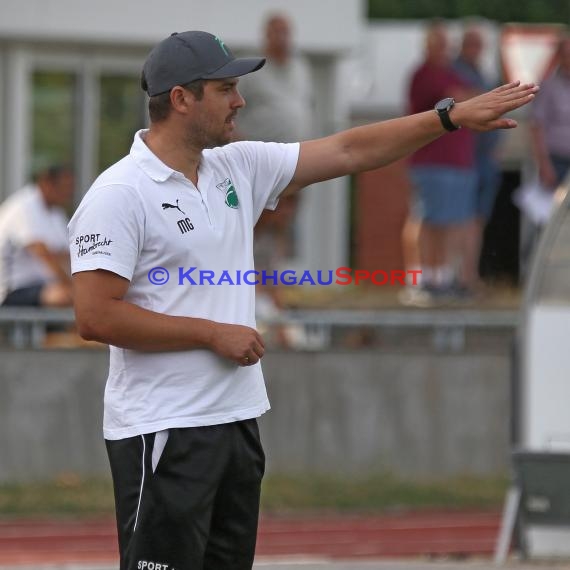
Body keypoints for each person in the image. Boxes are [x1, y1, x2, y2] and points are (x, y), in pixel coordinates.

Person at [68, 30, 537, 570]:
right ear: (181, 98)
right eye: (226, 88)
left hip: (237, 422)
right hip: (165, 428)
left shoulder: (234, 167)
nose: (240, 101)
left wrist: (447, 118)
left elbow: (349, 149)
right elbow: (94, 314)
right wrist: (210, 332)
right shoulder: (119, 193)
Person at [402, 23, 478, 307]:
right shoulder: (423, 75)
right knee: (425, 219)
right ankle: (419, 277)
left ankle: (441, 277)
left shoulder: (451, 71)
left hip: (457, 161)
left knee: (451, 222)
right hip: (430, 161)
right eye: (437, 43)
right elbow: (461, 97)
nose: (443, 49)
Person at [453, 26, 502, 290]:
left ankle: (468, 274)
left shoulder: (483, 74)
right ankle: (459, 275)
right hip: (463, 159)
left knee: (476, 220)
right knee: (458, 218)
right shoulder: (456, 74)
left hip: (483, 160)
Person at [0, 165, 74, 307]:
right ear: (46, 183)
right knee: (65, 297)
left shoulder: (55, 212)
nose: (67, 193)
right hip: (11, 290)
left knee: (84, 296)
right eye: (63, 187)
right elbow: (43, 254)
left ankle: (64, 330)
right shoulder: (25, 206)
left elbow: (67, 254)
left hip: (40, 286)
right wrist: (71, 286)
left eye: (69, 188)